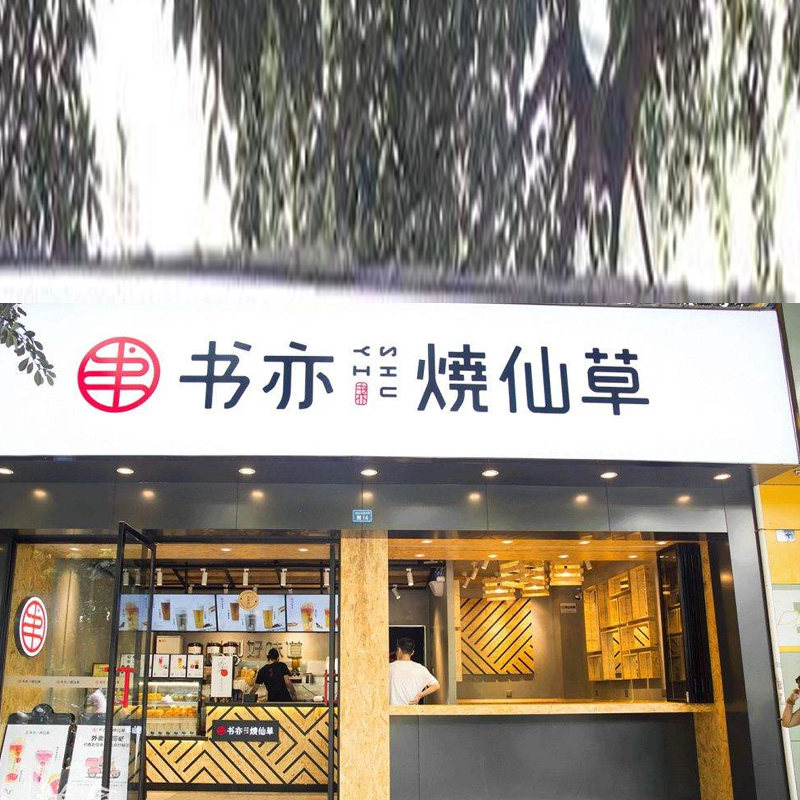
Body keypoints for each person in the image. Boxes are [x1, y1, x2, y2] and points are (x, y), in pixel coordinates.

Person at [389, 637, 439, 705]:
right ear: (412, 652)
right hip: (412, 710)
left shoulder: (389, 667)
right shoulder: (420, 668)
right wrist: (420, 695)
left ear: (399, 650)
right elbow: (436, 685)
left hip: (393, 710)